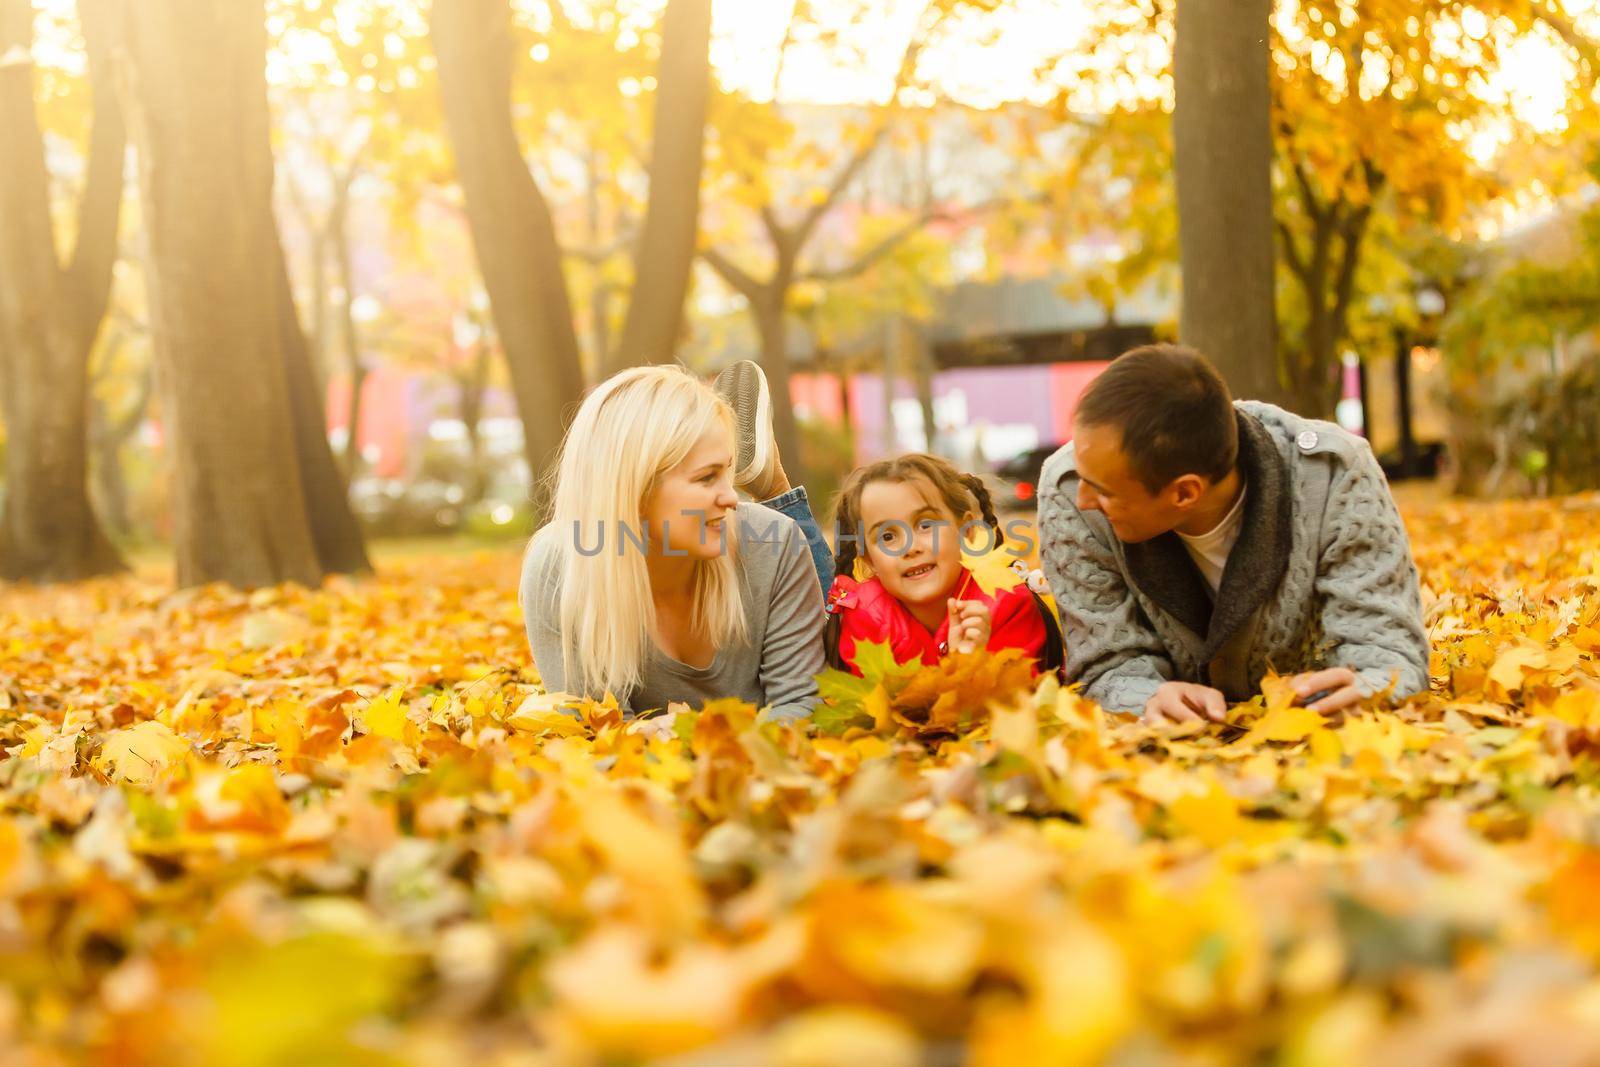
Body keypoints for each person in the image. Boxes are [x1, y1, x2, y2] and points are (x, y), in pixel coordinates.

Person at [1037, 344, 1429, 725]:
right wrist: (1146, 697)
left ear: (1184, 492)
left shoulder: (1334, 474)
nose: (1084, 498)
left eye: (1103, 491)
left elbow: (1390, 654)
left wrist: (1370, 689)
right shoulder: (1068, 489)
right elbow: (1103, 665)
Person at [520, 363, 825, 720]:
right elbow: (602, 734)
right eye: (707, 477)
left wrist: (693, 746)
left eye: (727, 471)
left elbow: (801, 707)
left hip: (759, 768)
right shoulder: (561, 566)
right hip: (688, 766)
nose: (730, 497)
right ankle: (772, 488)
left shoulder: (776, 542)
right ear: (637, 488)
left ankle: (775, 488)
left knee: (846, 618)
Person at [823, 452, 1064, 678]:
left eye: (926, 525)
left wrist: (969, 666)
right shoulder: (864, 616)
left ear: (966, 531)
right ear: (870, 559)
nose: (910, 548)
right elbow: (874, 714)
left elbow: (1019, 709)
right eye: (887, 537)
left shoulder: (1008, 605)